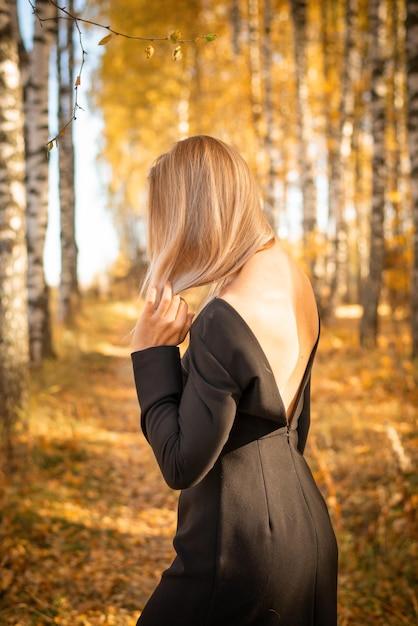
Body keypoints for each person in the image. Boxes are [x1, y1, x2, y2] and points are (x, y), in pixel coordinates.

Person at [130, 135, 338, 626]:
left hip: (237, 551)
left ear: (194, 215)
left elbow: (181, 463)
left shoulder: (225, 316)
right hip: (304, 531)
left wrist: (151, 353)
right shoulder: (292, 278)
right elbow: (291, 427)